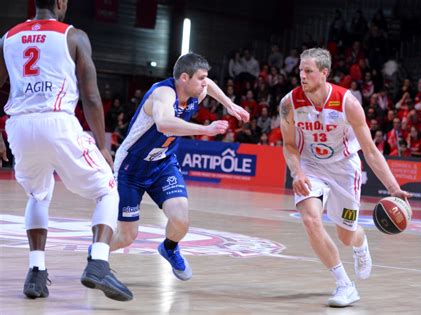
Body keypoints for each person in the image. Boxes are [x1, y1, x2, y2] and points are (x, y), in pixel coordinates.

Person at [0, 0, 132, 301]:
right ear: (61, 2)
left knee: (38, 195)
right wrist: (102, 145)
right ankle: (98, 262)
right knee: (107, 189)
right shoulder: (73, 36)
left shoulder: (8, 37)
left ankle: (36, 272)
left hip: (19, 126)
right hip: (57, 121)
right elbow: (91, 95)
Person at [279, 48, 410, 307]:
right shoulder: (289, 103)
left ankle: (360, 242)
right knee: (310, 219)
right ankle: (344, 284)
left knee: (346, 236)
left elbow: (370, 151)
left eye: (308, 71)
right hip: (311, 166)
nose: (302, 75)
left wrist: (394, 188)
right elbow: (289, 145)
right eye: (300, 71)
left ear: (324, 73)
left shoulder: (347, 102)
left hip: (344, 169)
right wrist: (297, 172)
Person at [108, 52, 249, 281]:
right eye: (200, 78)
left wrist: (229, 104)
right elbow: (164, 124)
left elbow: (210, 85)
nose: (204, 83)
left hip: (163, 163)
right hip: (132, 166)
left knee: (181, 219)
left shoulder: (195, 90)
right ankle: (96, 255)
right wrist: (205, 130)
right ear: (184, 78)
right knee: (127, 236)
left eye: (205, 78)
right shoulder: (163, 94)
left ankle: (169, 247)